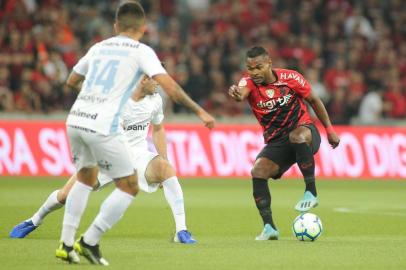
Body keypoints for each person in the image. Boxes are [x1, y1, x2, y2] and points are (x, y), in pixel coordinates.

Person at [56, 1, 214, 265]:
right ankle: (89, 241)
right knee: (127, 185)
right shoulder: (141, 51)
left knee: (84, 180)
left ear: (116, 26)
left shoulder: (99, 47)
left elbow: (71, 81)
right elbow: (172, 89)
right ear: (142, 28)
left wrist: (94, 99)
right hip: (104, 128)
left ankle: (66, 244)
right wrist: (200, 111)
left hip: (78, 119)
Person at [10, 75, 196, 246]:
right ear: (142, 79)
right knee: (65, 196)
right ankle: (34, 220)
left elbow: (157, 129)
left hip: (137, 155)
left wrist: (163, 158)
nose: (159, 82)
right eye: (155, 78)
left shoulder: (155, 99)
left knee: (166, 169)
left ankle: (181, 231)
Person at [228, 46, 339, 241]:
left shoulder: (291, 78)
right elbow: (242, 92)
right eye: (250, 68)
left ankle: (310, 193)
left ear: (269, 63)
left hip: (305, 132)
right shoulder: (248, 82)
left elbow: (314, 100)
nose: (254, 73)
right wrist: (237, 94)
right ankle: (269, 227)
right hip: (277, 140)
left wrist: (329, 129)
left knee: (296, 136)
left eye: (258, 67)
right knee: (258, 171)